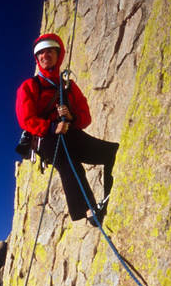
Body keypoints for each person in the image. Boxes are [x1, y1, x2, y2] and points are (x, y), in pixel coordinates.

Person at [15, 33, 119, 227]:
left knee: (110, 152)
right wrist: (52, 126)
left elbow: (85, 116)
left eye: (49, 52)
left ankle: (110, 195)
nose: (45, 56)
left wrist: (71, 117)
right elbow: (26, 119)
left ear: (58, 55)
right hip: (45, 138)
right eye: (41, 54)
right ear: (37, 60)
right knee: (68, 162)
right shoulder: (29, 86)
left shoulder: (68, 86)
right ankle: (88, 211)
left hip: (70, 132)